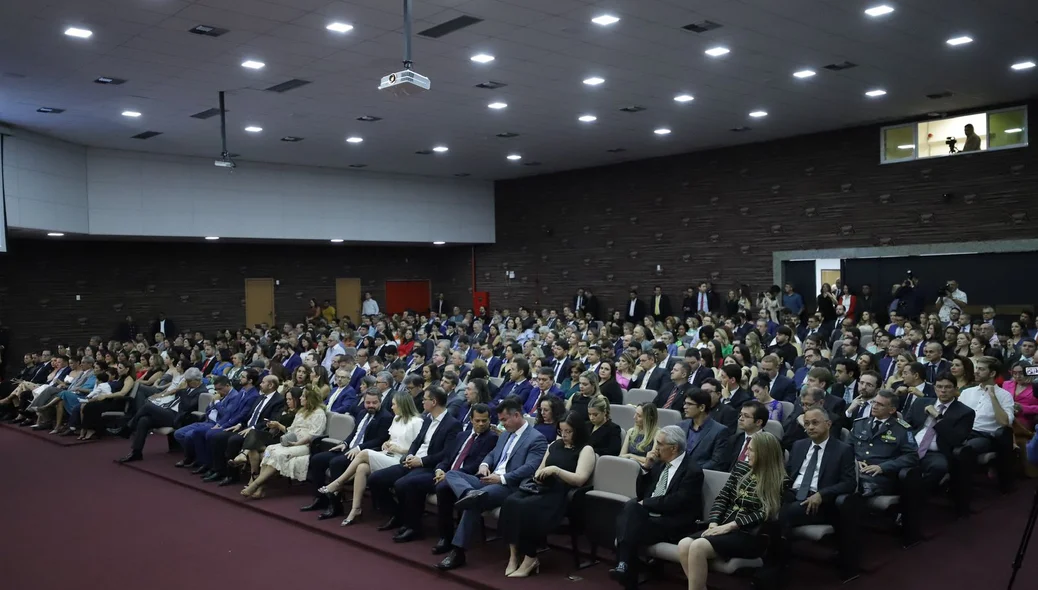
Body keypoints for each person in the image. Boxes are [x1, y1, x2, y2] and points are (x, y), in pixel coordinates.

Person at [434, 397, 548, 571]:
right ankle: (468, 494)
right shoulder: (505, 434)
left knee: (474, 503)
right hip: (488, 481)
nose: (500, 424)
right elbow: (493, 454)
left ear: (516, 415)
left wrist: (502, 478)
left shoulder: (536, 438)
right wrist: (484, 464)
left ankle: (458, 552)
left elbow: (530, 468)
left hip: (508, 486)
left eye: (503, 420)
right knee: (452, 474)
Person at [677, 432, 786, 590]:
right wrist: (714, 522)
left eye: (751, 450)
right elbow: (722, 498)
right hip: (723, 527)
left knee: (697, 547)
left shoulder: (781, 480)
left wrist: (731, 526)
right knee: (684, 544)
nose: (746, 453)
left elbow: (765, 512)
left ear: (764, 453)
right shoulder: (741, 468)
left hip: (749, 534)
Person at [498, 412, 596, 577]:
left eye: (568, 432)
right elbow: (540, 469)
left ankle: (530, 558)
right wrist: (540, 475)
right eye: (561, 431)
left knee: (525, 507)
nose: (564, 435)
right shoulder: (555, 444)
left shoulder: (586, 449)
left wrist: (556, 471)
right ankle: (514, 556)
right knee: (510, 502)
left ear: (577, 431)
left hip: (562, 494)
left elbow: (580, 479)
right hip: (542, 487)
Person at [609, 425, 704, 590]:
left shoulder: (692, 471)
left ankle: (624, 568)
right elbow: (641, 494)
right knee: (631, 509)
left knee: (628, 526)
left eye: (659, 444)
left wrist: (645, 504)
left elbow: (676, 502)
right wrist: (646, 467)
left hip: (674, 522)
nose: (655, 448)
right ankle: (625, 567)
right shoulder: (660, 464)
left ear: (673, 448)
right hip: (650, 518)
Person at [365, 386, 463, 541]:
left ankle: (413, 526)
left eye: (425, 399)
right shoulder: (427, 419)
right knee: (375, 479)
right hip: (413, 461)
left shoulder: (452, 424)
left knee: (403, 484)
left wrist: (422, 461)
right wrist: (410, 455)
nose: (422, 402)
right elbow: (417, 441)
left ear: (434, 401)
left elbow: (446, 453)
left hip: (430, 467)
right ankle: (399, 515)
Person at [318, 391, 423, 524]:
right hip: (387, 454)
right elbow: (391, 438)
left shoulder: (417, 422)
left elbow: (417, 448)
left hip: (401, 459)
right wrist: (387, 443)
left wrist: (400, 449)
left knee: (364, 452)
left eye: (394, 404)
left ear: (403, 405)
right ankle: (355, 509)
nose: (391, 407)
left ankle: (338, 483)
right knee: (361, 468)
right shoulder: (396, 419)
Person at [780, 407, 857, 569]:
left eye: (815, 423)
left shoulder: (843, 450)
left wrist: (822, 494)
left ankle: (778, 562)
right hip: (792, 493)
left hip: (818, 501)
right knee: (764, 505)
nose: (810, 427)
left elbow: (849, 483)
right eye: (807, 424)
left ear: (828, 424)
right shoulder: (799, 445)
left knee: (781, 514)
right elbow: (788, 475)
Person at [301, 389, 393, 519]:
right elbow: (354, 434)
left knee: (336, 463)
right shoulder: (362, 413)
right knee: (317, 459)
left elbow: (380, 440)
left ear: (380, 401)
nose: (371, 405)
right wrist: (344, 443)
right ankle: (320, 498)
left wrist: (359, 448)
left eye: (374, 402)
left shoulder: (386, 417)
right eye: (368, 402)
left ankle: (336, 505)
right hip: (348, 449)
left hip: (364, 454)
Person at [430, 404, 499, 554]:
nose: (481, 424)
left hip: (469, 478)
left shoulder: (491, 438)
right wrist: (441, 469)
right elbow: (448, 457)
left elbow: (477, 465)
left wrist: (450, 475)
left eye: (484, 420)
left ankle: (446, 538)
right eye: (477, 420)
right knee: (414, 483)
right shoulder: (462, 435)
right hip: (447, 473)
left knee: (443, 488)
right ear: (471, 420)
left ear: (489, 420)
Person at [239, 385, 327, 498]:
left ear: (310, 399)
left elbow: (314, 435)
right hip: (293, 440)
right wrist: (287, 438)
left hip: (305, 445)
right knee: (269, 450)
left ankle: (255, 485)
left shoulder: (319, 413)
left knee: (278, 454)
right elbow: (291, 429)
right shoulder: (301, 411)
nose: (300, 399)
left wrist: (296, 443)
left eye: (303, 396)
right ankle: (261, 487)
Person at [202, 375, 287, 486]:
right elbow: (249, 415)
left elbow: (272, 420)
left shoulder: (278, 400)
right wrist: (239, 424)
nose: (260, 384)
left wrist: (252, 428)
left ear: (270, 385)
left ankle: (232, 475)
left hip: (260, 432)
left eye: (263, 382)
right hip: (245, 427)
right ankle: (218, 470)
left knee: (233, 440)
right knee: (218, 437)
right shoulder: (260, 397)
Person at [906, 373, 975, 508]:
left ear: (955, 390)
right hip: (911, 447)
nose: (943, 391)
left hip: (937, 452)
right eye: (939, 387)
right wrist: (907, 443)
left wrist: (937, 417)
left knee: (938, 467)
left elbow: (956, 439)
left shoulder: (965, 412)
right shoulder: (920, 403)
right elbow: (905, 426)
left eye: (948, 387)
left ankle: (915, 500)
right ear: (934, 388)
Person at [117, 367, 205, 463]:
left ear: (197, 380)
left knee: (148, 407)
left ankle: (127, 429)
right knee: (144, 420)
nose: (187, 383)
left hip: (177, 417)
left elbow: (188, 406)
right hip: (169, 411)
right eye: (186, 381)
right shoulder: (189, 387)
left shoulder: (201, 391)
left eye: (189, 381)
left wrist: (182, 390)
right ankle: (136, 452)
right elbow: (175, 398)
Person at [173, 375, 256, 470]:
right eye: (216, 389)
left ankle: (197, 459)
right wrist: (213, 402)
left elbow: (226, 414)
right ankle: (196, 456)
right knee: (178, 434)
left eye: (220, 389)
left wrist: (217, 402)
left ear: (228, 385)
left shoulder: (234, 396)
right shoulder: (220, 395)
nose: (218, 391)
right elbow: (208, 409)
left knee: (190, 435)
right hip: (207, 420)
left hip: (216, 423)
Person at [958, 356, 1016, 491]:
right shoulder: (967, 392)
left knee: (964, 449)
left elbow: (1005, 422)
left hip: (986, 436)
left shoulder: (1004, 395)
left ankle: (961, 489)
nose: (976, 372)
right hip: (963, 431)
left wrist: (992, 396)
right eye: (976, 368)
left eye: (981, 369)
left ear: (992, 373)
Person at [850, 390, 918, 496]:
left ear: (892, 410)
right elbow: (848, 448)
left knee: (858, 490)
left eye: (880, 404)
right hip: (854, 471)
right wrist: (855, 461)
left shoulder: (902, 429)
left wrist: (883, 467)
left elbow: (911, 456)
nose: (874, 406)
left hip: (880, 476)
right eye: (874, 402)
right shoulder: (860, 423)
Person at [680, 389, 729, 470]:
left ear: (702, 407)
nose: (685, 407)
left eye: (689, 404)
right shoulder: (681, 425)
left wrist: (692, 472)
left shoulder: (720, 431)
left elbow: (716, 462)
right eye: (685, 403)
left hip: (700, 475)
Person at [725, 400, 769, 471]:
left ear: (758, 422)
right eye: (740, 415)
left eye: (746, 416)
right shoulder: (734, 439)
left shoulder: (770, 444)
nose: (740, 419)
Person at [620, 403, 659, 468]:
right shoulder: (631, 431)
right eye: (635, 414)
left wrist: (630, 456)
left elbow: (651, 459)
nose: (634, 417)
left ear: (649, 418)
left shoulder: (657, 434)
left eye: (639, 416)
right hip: (627, 466)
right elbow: (621, 456)